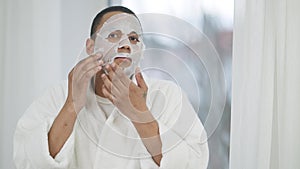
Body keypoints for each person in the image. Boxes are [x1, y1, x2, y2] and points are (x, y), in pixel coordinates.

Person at [13, 6, 208, 169]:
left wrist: (139, 114)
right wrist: (72, 105)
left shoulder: (169, 96)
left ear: (142, 50)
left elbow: (193, 163)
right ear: (90, 46)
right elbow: (28, 161)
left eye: (133, 38)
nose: (126, 45)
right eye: (114, 35)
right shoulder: (58, 95)